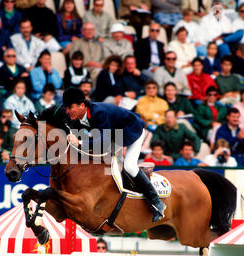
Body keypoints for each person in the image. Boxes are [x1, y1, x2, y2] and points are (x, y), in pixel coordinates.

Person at [63, 87, 166, 222]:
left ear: (82, 105)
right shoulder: (75, 116)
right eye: (66, 107)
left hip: (132, 132)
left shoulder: (99, 113)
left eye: (70, 107)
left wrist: (80, 143)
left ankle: (157, 202)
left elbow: (103, 143)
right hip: (113, 136)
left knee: (129, 166)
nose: (67, 111)